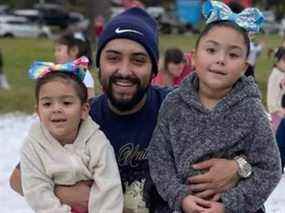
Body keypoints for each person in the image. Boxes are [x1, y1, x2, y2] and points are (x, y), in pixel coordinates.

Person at [10, 7, 250, 213]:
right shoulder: (79, 116)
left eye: (138, 60)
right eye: (113, 58)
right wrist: (67, 194)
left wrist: (237, 167)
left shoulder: (181, 107)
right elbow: (18, 179)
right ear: (99, 65)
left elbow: (261, 149)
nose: (124, 71)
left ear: (154, 69)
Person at [148, 1, 282, 213]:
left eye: (233, 55)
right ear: (193, 57)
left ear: (244, 67)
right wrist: (179, 196)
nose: (221, 60)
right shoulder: (174, 104)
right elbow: (159, 158)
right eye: (211, 50)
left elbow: (269, 168)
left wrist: (229, 204)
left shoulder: (251, 110)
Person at [20, 57, 123, 213]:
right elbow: (36, 191)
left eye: (66, 103)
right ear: (38, 112)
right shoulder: (33, 145)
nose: (56, 109)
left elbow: (109, 186)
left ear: (84, 110)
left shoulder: (96, 141)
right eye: (47, 104)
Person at [54, 33, 95, 98]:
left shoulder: (83, 74)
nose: (55, 54)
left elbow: (90, 100)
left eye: (59, 50)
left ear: (74, 50)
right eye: (55, 51)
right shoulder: (59, 72)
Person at [267, 47, 285, 115]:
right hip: (278, 115)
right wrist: (278, 112)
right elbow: (271, 101)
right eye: (284, 60)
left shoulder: (282, 72)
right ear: (277, 61)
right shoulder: (274, 76)